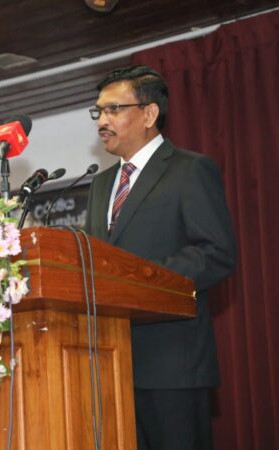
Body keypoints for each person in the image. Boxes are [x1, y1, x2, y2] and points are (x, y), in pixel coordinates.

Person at [85, 65, 236, 450]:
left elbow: (216, 252)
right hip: (113, 365)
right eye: (98, 111)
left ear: (149, 114)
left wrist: (140, 280)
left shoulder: (189, 169)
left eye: (114, 109)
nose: (102, 121)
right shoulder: (101, 185)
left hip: (174, 366)